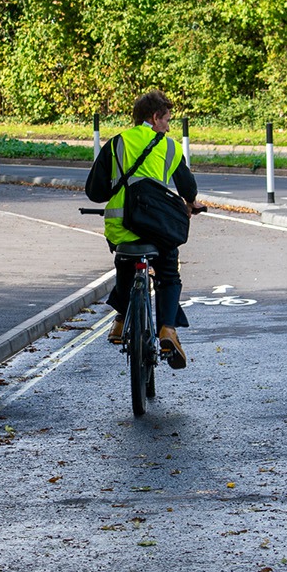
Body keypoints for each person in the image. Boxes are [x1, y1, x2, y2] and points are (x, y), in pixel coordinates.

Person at [84, 90, 202, 369]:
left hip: (120, 227)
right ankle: (167, 331)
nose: (169, 126)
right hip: (157, 229)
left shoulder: (117, 143)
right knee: (169, 273)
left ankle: (121, 319)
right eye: (167, 120)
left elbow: (95, 192)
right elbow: (187, 187)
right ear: (154, 118)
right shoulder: (170, 147)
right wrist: (191, 203)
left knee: (124, 263)